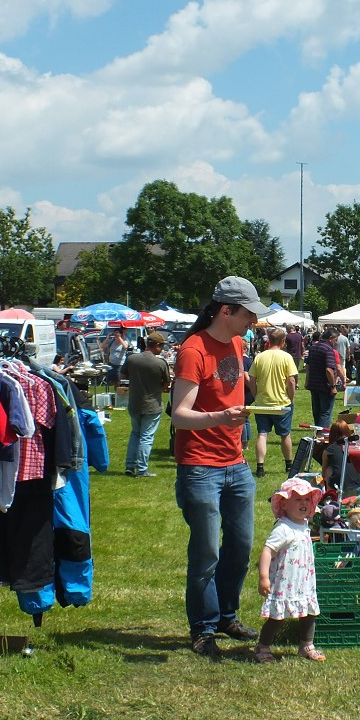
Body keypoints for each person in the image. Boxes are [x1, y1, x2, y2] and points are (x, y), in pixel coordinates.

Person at [171, 275, 270, 659]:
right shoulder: (193, 351)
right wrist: (220, 417)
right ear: (226, 310)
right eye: (249, 313)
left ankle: (227, 615)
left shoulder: (238, 342)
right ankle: (204, 628)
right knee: (207, 552)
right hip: (200, 467)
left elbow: (233, 389)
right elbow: (180, 416)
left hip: (236, 463)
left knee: (241, 546)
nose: (254, 321)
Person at [254, 477, 325, 663]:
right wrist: (263, 577)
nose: (304, 503)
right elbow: (267, 550)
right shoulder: (284, 529)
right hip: (285, 582)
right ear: (284, 504)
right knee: (278, 617)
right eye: (298, 499)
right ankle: (263, 646)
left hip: (304, 582)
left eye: (307, 499)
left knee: (309, 614)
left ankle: (306, 645)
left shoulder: (304, 526)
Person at [248, 327, 298, 478]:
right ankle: (289, 464)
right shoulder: (286, 357)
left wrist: (256, 395)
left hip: (262, 402)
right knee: (285, 434)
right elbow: (291, 380)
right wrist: (291, 398)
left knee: (262, 434)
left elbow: (251, 379)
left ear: (269, 340)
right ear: (283, 341)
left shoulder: (259, 357)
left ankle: (260, 467)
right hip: (281, 402)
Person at [123, 330, 170, 478]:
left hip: (134, 403)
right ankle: (142, 469)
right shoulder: (160, 363)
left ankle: (130, 466)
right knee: (146, 437)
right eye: (161, 346)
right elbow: (167, 384)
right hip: (152, 405)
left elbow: (122, 376)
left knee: (135, 434)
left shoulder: (132, 359)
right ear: (156, 345)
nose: (162, 349)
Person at [305, 328, 339, 428]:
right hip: (325, 386)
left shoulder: (313, 347)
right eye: (336, 339)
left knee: (317, 412)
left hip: (314, 384)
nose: (336, 342)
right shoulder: (328, 349)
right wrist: (333, 386)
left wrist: (307, 381)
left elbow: (308, 366)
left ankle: (317, 435)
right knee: (325, 413)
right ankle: (322, 437)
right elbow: (329, 370)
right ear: (331, 338)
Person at [321, 420, 360, 498]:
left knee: (328, 470)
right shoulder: (356, 447)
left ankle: (331, 497)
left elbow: (323, 474)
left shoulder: (328, 451)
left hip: (340, 489)